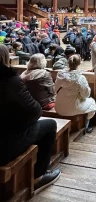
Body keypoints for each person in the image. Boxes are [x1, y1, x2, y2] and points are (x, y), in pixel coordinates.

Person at [0, 44, 60, 193]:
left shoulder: (19, 77)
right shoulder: (9, 81)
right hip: (4, 145)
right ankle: (38, 176)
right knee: (50, 125)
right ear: (5, 59)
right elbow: (35, 111)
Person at [55, 55, 96, 133]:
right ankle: (86, 127)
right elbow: (86, 95)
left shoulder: (60, 75)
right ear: (79, 63)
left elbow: (55, 89)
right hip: (73, 108)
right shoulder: (80, 78)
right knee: (92, 102)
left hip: (58, 107)